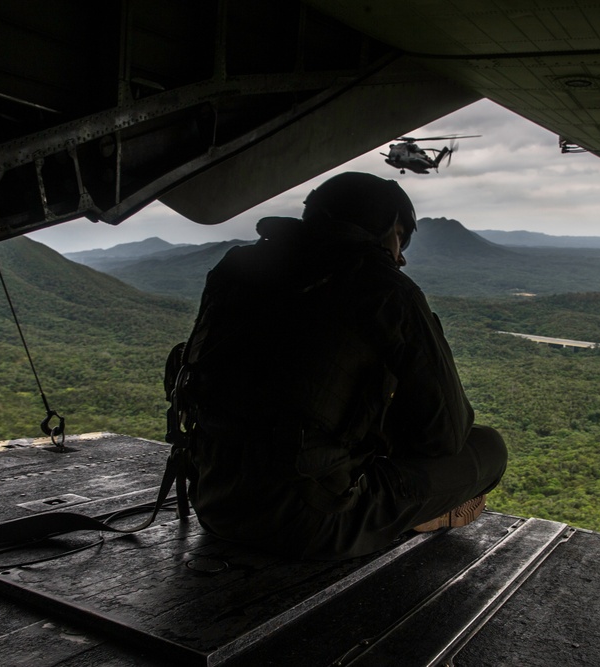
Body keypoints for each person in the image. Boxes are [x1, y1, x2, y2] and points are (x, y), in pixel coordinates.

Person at [170, 172, 508, 560]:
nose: (401, 256)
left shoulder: (235, 268)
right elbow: (445, 435)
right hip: (312, 524)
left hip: (213, 502)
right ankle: (405, 517)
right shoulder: (386, 290)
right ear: (388, 229)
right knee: (488, 447)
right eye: (401, 238)